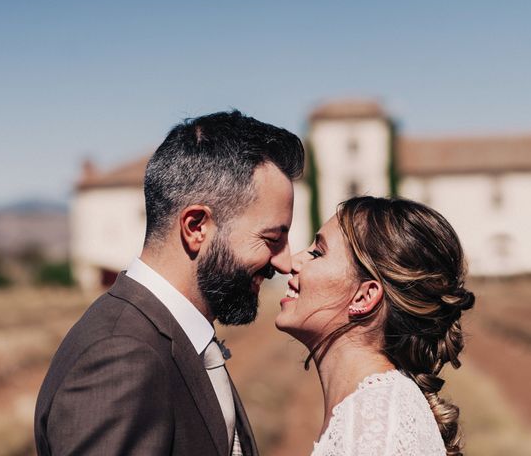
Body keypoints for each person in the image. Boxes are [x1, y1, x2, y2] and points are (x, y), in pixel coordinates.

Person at [35, 111, 304, 456]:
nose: (284, 262)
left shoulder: (171, 337)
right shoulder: (122, 357)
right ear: (196, 227)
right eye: (271, 238)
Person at [276, 196, 475, 456]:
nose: (292, 262)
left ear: (364, 297)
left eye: (317, 253)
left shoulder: (380, 428)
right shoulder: (371, 412)